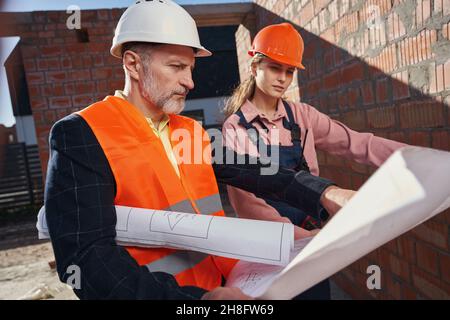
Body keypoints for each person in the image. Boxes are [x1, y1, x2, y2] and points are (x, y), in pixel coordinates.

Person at [45, 2, 354, 300]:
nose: (190, 81)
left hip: (225, 285)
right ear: (133, 64)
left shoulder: (190, 131)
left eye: (191, 68)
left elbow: (262, 172)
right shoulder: (81, 134)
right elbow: (88, 260)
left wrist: (326, 194)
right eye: (177, 67)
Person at [222, 22, 408, 299]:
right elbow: (250, 206)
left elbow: (357, 143)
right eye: (275, 67)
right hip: (271, 252)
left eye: (290, 71)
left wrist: (411, 158)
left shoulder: (303, 117)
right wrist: (304, 240)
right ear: (254, 67)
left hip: (311, 246)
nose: (283, 78)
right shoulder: (235, 129)